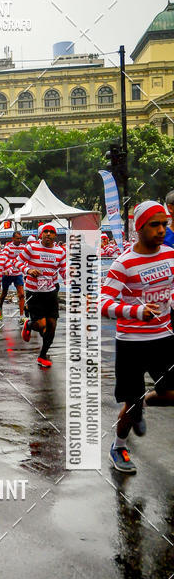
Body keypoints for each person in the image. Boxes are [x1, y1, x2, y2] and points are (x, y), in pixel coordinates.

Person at [101, 200, 174, 474]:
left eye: (164, 224)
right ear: (139, 228)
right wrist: (136, 311)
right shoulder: (124, 264)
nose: (161, 230)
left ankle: (143, 400)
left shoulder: (170, 255)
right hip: (132, 343)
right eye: (154, 225)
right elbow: (103, 304)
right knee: (129, 405)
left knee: (167, 394)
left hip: (165, 339)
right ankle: (119, 446)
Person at [18, 223, 66, 368]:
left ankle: (42, 355)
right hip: (34, 292)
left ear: (55, 236)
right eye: (46, 231)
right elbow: (17, 262)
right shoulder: (32, 247)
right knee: (41, 325)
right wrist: (28, 270)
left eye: (52, 232)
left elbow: (64, 272)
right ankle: (30, 324)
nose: (49, 234)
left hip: (50, 292)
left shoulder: (60, 252)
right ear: (41, 234)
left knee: (52, 325)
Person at [0, 230, 26, 322]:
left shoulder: (23, 247)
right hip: (8, 273)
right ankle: (0, 308)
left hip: (18, 274)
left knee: (21, 294)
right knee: (4, 293)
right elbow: (4, 258)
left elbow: (27, 258)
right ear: (13, 238)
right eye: (17, 238)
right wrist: (7, 269)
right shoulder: (8, 247)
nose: (19, 240)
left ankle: (21, 316)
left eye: (20, 238)